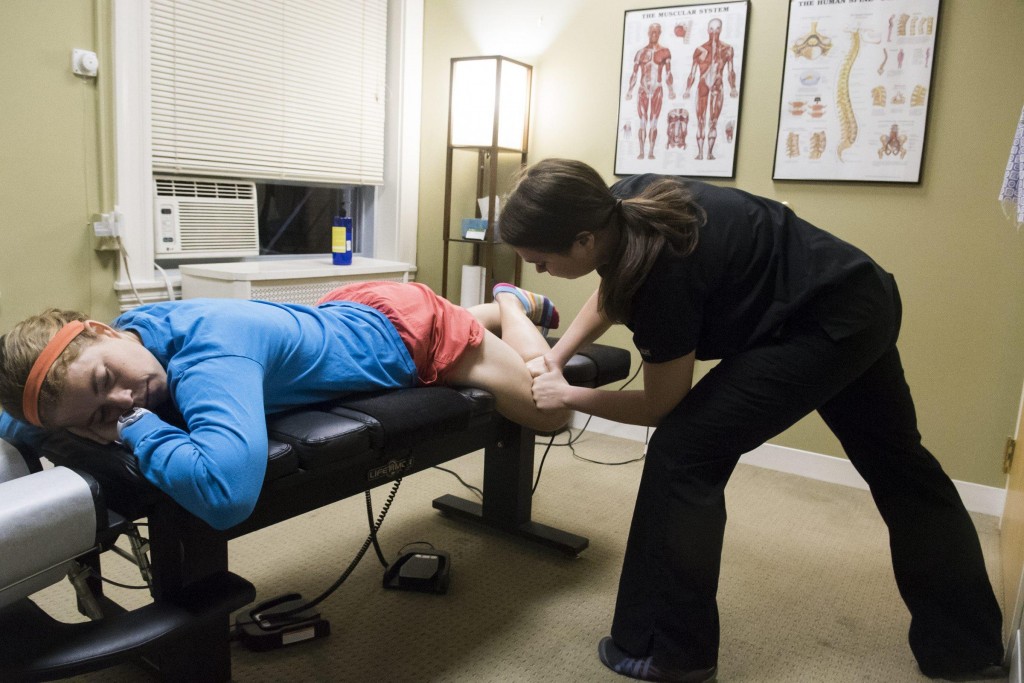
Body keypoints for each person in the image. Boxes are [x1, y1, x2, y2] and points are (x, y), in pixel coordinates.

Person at [497, 158, 1004, 682]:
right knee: (901, 465)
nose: (538, 272)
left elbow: (658, 406)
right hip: (860, 295)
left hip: (822, 325)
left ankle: (668, 651)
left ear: (583, 240)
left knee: (683, 452)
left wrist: (569, 394)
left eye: (540, 260)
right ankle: (966, 649)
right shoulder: (621, 203)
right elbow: (612, 288)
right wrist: (558, 357)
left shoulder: (661, 274)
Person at [0, 281, 567, 531]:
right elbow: (17, 413)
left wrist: (137, 431)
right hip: (350, 312)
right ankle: (488, 314)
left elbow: (227, 496)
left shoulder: (211, 356)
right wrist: (32, 429)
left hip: (413, 337)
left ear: (103, 330)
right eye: (99, 413)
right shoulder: (131, 338)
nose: (125, 400)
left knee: (550, 412)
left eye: (106, 379)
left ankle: (509, 305)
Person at [625, 22, 674, 160]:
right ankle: (641, 151)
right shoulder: (640, 53)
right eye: (652, 31)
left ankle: (651, 151)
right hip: (643, 89)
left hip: (657, 88)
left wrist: (670, 90)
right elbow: (634, 74)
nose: (654, 34)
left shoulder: (665, 52)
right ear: (648, 33)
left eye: (657, 32)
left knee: (653, 122)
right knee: (642, 121)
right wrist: (630, 90)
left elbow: (668, 73)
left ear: (660, 33)